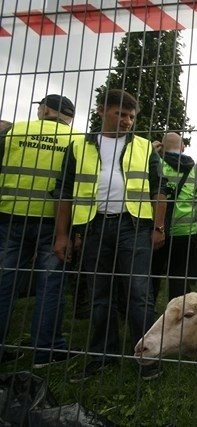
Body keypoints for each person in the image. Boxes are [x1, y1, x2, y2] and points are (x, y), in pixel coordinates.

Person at [53, 89, 167, 382]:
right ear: (102, 111)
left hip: (134, 227)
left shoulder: (144, 147)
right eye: (121, 114)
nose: (128, 121)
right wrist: (63, 235)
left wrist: (158, 227)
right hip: (93, 227)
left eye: (131, 116)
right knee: (99, 294)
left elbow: (159, 191)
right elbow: (64, 193)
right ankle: (103, 355)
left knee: (139, 293)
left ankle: (147, 356)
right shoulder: (80, 146)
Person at [0, 94, 79, 366]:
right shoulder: (76, 140)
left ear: (44, 110)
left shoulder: (15, 131)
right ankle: (47, 351)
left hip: (9, 216)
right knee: (51, 286)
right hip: (54, 222)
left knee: (4, 283)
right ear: (69, 116)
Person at [151, 132, 197, 301]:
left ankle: (146, 314)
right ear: (182, 147)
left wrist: (152, 151)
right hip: (186, 232)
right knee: (180, 278)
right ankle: (180, 316)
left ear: (162, 147)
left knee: (151, 274)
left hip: (156, 229)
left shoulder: (154, 163)